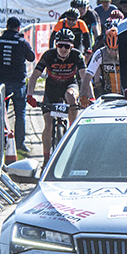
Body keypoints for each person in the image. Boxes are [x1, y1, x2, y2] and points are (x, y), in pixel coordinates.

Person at [26, 29, 85, 163]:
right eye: (60, 45)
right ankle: (46, 159)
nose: (63, 49)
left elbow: (84, 76)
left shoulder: (77, 55)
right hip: (51, 89)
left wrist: (88, 96)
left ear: (72, 47)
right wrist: (30, 95)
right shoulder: (48, 55)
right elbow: (34, 76)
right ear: (55, 45)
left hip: (69, 85)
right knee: (48, 124)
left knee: (71, 96)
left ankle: (72, 130)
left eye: (67, 46)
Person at [0, 16, 35, 153]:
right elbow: (31, 57)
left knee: (0, 114)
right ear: (18, 28)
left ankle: (1, 142)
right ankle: (20, 144)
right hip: (18, 82)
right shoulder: (22, 42)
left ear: (7, 26)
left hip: (1, 82)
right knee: (20, 114)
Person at [81, 27, 120, 106]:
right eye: (110, 49)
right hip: (106, 95)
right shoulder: (100, 53)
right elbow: (87, 77)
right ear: (105, 45)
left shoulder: (126, 51)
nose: (113, 53)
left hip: (125, 94)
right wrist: (83, 97)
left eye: (116, 50)